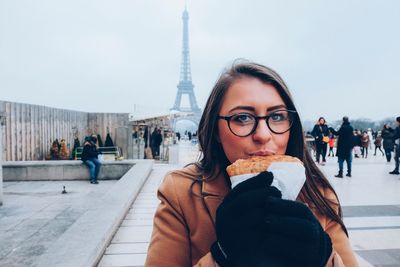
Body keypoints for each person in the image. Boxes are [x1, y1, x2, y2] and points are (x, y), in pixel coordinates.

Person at [145, 61, 357, 266]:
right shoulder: (181, 194)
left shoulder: (318, 193)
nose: (263, 135)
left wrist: (324, 258)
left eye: (277, 116)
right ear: (215, 130)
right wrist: (223, 256)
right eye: (243, 118)